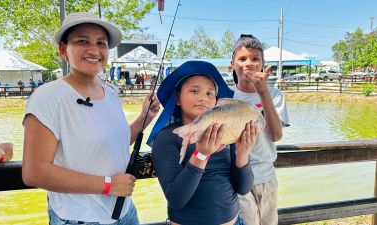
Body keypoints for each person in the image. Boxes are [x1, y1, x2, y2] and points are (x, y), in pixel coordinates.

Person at [22, 12, 160, 225]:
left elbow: (115, 143)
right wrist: (107, 185)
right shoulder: (47, 96)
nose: (94, 50)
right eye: (82, 41)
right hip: (79, 219)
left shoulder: (111, 93)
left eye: (101, 43)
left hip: (125, 213)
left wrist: (145, 117)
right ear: (63, 49)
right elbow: (34, 172)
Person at [148, 60, 258, 225]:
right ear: (178, 98)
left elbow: (243, 188)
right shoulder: (167, 138)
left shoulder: (227, 133)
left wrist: (242, 155)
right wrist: (201, 154)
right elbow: (176, 199)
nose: (203, 98)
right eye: (194, 91)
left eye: (210, 93)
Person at [230, 34, 290, 225]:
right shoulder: (224, 96)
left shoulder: (274, 94)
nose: (249, 63)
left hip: (267, 176)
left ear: (263, 64)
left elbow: (275, 135)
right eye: (242, 59)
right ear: (232, 64)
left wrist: (263, 92)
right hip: (236, 178)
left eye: (255, 58)